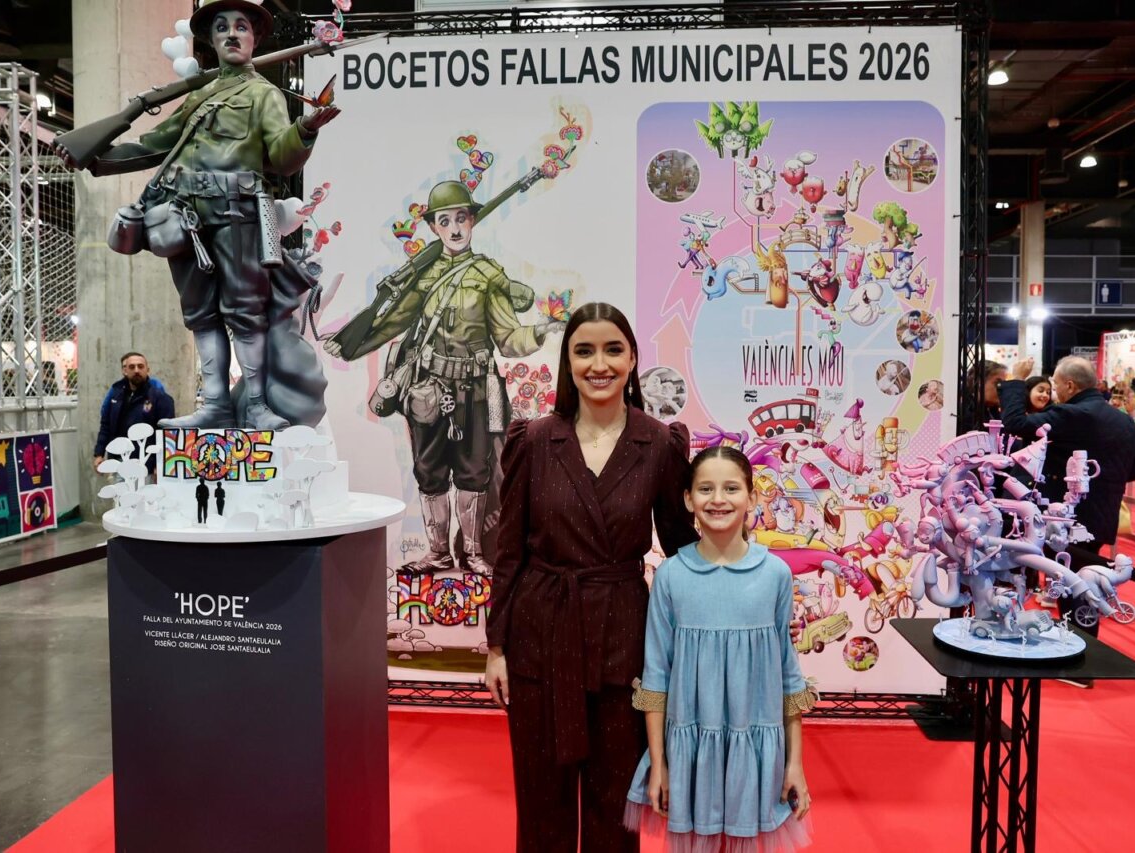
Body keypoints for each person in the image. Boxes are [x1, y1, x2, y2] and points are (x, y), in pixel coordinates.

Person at [57, 0, 340, 431]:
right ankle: (215, 406)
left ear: (254, 38)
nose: (231, 33)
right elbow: (156, 143)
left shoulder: (262, 94)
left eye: (241, 26)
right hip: (187, 218)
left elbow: (282, 158)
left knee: (245, 313)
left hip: (238, 212)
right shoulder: (200, 96)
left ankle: (258, 406)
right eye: (222, 27)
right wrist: (94, 156)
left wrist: (305, 129)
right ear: (210, 40)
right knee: (201, 316)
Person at [484, 302, 698, 853]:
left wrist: (736, 587)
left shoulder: (660, 443)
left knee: (615, 803)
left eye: (612, 350)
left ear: (632, 360)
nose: (598, 364)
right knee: (541, 800)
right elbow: (508, 552)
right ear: (567, 361)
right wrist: (496, 647)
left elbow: (681, 550)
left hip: (624, 638)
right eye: (584, 351)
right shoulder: (533, 440)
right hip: (539, 633)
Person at [324, 180, 564, 576]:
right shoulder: (424, 275)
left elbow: (508, 339)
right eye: (445, 220)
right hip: (427, 390)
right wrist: (350, 345)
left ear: (472, 222)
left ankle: (471, 553)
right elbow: (392, 321)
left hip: (476, 391)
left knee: (474, 472)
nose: (454, 228)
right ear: (434, 227)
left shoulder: (488, 275)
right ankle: (437, 553)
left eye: (461, 219)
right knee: (429, 471)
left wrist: (541, 330)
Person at [624, 446, 815, 852]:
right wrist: (660, 764)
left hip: (757, 745)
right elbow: (656, 676)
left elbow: (788, 674)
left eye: (731, 488)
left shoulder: (776, 575)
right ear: (688, 499)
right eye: (705, 489)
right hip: (692, 751)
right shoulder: (672, 576)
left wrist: (794, 762)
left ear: (752, 497)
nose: (718, 499)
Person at [1001, 356, 1135, 646]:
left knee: (1075, 585)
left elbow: (1016, 423)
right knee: (1079, 581)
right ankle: (1078, 647)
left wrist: (1016, 379)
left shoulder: (1073, 414)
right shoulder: (1123, 420)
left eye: (1055, 385)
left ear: (1069, 385)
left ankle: (1082, 653)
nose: (1053, 391)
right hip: (1101, 515)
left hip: (1068, 520)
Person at [94, 352, 176, 471]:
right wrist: (99, 454)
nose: (136, 370)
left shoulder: (160, 398)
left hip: (146, 465)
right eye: (132, 367)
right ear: (125, 371)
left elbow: (167, 433)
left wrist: (161, 464)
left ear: (148, 370)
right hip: (119, 462)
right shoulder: (116, 395)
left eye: (140, 366)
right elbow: (106, 425)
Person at [975, 359, 1007, 425]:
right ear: (978, 383)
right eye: (998, 383)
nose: (1002, 388)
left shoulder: (993, 410)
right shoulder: (963, 413)